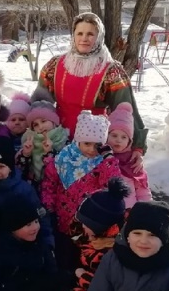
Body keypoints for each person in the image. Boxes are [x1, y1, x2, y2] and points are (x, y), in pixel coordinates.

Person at [33, 11, 147, 161]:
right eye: (79, 33)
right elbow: (40, 102)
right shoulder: (54, 65)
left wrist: (137, 145)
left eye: (90, 34)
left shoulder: (110, 70)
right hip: (57, 136)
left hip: (93, 139)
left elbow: (126, 108)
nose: (84, 39)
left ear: (99, 36)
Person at [40, 111, 124, 270]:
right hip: (63, 220)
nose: (92, 150)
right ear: (77, 140)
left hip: (89, 224)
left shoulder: (102, 163)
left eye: (97, 145)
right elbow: (49, 182)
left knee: (84, 260)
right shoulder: (63, 159)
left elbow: (113, 184)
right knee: (64, 257)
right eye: (87, 144)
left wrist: (109, 159)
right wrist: (48, 204)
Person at [56, 179, 129, 291]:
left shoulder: (115, 251)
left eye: (86, 225)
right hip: (83, 278)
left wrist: (80, 275)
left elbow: (105, 285)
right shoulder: (85, 231)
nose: (81, 227)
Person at [0, 135, 53, 250]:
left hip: (21, 244)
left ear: (10, 167)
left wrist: (48, 243)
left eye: (1, 166)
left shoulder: (23, 189)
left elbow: (41, 216)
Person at [106, 102, 151, 209]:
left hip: (128, 211)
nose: (118, 140)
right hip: (106, 212)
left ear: (129, 141)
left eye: (124, 137)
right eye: (114, 135)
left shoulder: (132, 161)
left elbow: (142, 191)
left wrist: (146, 209)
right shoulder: (100, 158)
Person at [15, 98, 68, 185]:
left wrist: (49, 153)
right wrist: (25, 154)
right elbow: (19, 170)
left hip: (55, 188)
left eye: (43, 121)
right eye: (36, 125)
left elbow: (65, 170)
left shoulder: (63, 139)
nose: (41, 127)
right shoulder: (30, 140)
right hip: (33, 185)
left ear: (54, 121)